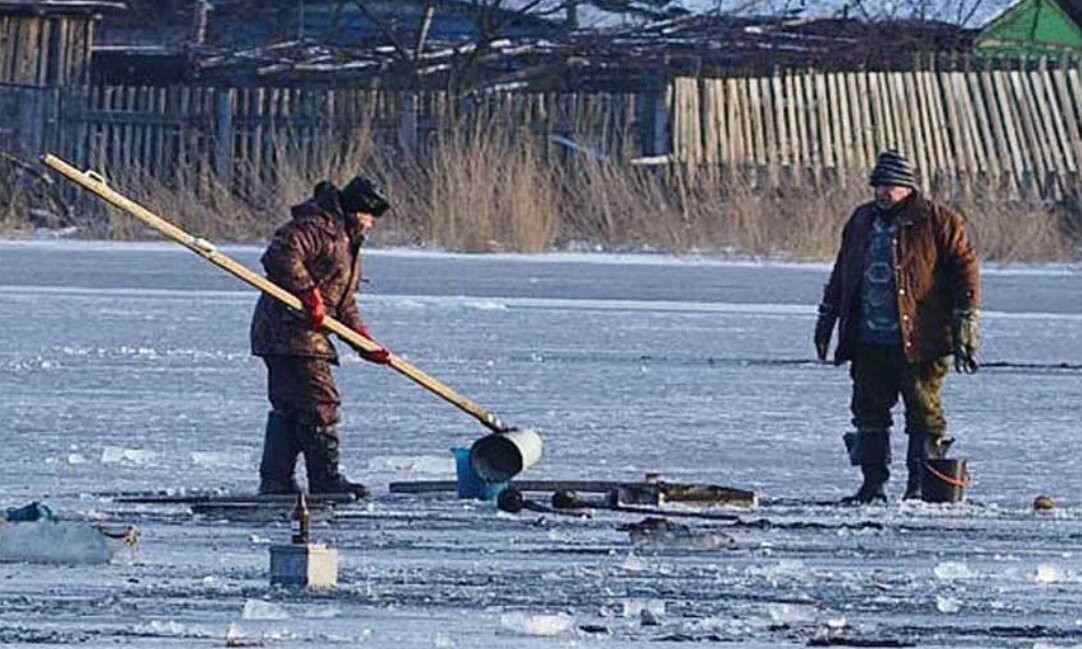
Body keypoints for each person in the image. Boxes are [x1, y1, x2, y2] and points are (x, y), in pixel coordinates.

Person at [814, 150, 980, 503]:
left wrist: (966, 316)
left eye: (891, 186)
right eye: (878, 186)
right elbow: (842, 270)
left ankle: (919, 486)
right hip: (868, 338)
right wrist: (827, 316)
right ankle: (873, 484)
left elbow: (964, 268)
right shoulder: (861, 220)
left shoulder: (938, 220)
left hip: (922, 339)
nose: (883, 193)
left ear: (908, 188)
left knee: (924, 412)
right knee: (868, 410)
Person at [250, 176, 393, 496]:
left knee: (292, 406)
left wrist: (363, 341)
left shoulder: (347, 240)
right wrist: (307, 292)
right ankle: (325, 480)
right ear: (358, 210)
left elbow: (342, 301)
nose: (371, 224)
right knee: (319, 403)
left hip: (300, 335)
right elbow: (280, 254)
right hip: (290, 330)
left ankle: (276, 481)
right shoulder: (320, 227)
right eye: (370, 216)